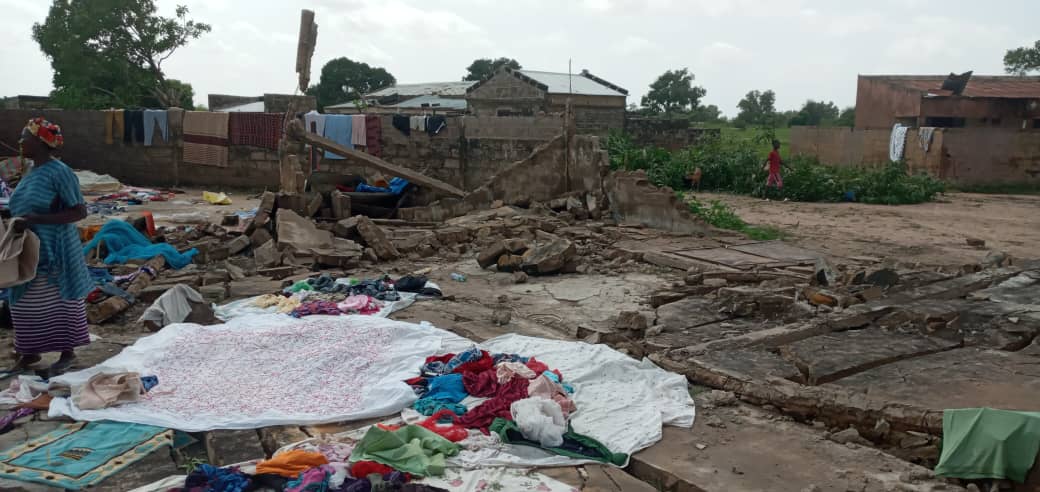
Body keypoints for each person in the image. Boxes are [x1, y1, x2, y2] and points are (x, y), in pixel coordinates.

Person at [7, 117, 93, 373]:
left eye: (25, 137)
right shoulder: (32, 171)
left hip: (56, 250)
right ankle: (29, 352)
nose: (21, 141)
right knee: (22, 303)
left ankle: (68, 354)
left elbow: (79, 211)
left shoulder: (60, 172)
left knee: (59, 302)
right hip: (28, 248)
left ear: (40, 142)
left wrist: (38, 219)